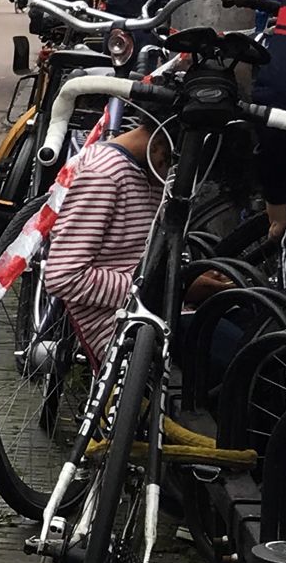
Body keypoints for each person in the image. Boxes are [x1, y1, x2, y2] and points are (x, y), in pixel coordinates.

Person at [43, 113, 237, 376]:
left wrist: (186, 279)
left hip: (157, 307)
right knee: (254, 361)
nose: (175, 178)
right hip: (123, 324)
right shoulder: (104, 175)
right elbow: (64, 276)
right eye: (173, 164)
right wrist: (176, 288)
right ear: (157, 146)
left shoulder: (144, 170)